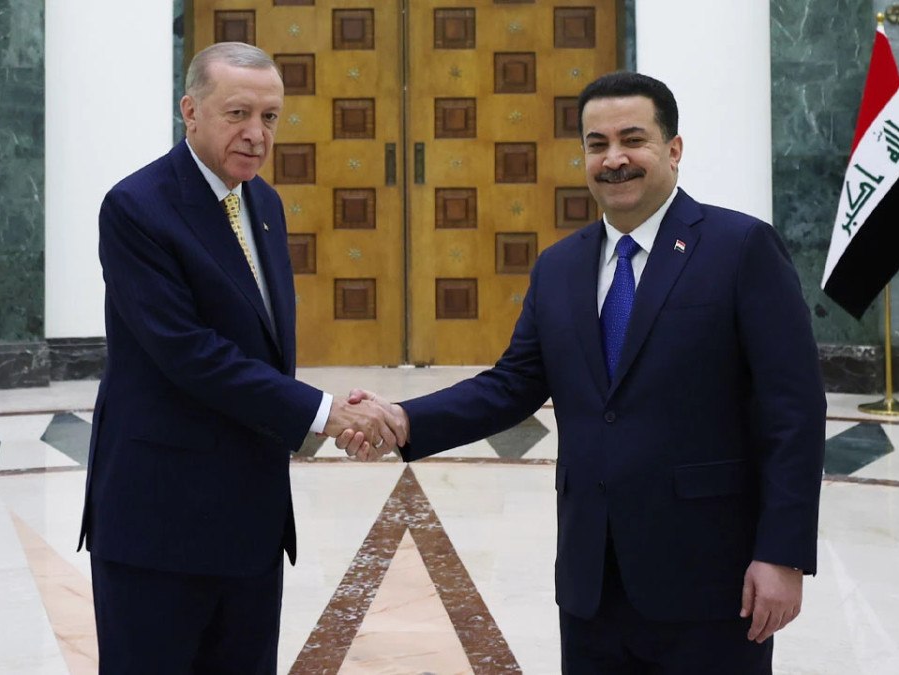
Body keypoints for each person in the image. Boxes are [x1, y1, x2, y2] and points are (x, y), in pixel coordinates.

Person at [342, 72, 826, 673]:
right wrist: (402, 418)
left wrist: (782, 554)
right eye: (598, 144)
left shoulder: (741, 247)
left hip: (710, 577)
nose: (614, 159)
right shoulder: (559, 267)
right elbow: (511, 385)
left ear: (673, 149)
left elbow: (793, 410)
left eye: (633, 140)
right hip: (591, 581)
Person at [78, 42, 405, 673]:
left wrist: (316, 414)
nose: (257, 134)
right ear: (190, 111)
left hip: (250, 521)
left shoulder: (264, 203)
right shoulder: (136, 207)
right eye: (238, 114)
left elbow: (260, 345)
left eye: (270, 117)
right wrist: (325, 413)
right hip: (159, 523)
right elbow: (190, 353)